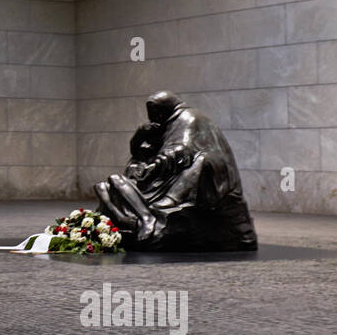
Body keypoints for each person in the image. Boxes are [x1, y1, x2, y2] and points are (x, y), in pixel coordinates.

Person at [95, 91, 257, 251]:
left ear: (162, 109)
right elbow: (140, 151)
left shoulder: (189, 119)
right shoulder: (164, 124)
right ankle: (132, 216)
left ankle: (148, 216)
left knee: (118, 182)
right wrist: (141, 135)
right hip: (160, 175)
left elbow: (183, 149)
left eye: (155, 112)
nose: (153, 117)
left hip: (183, 175)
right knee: (107, 185)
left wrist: (154, 167)